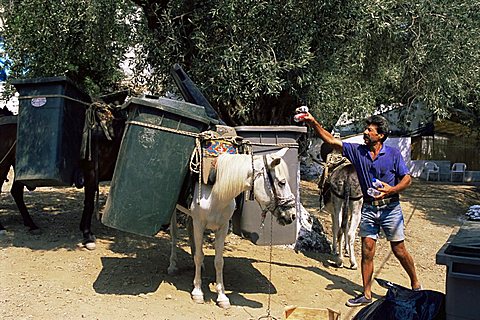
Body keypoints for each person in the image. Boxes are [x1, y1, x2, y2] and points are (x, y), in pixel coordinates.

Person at [298, 111, 422, 307]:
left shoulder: (393, 154)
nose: (365, 132)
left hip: (391, 209)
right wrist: (313, 122)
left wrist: (392, 189)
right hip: (369, 209)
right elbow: (331, 141)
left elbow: (407, 179)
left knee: (398, 250)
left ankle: (416, 284)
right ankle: (366, 294)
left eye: (369, 130)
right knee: (367, 251)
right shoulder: (358, 151)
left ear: (380, 135)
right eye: (366, 129)